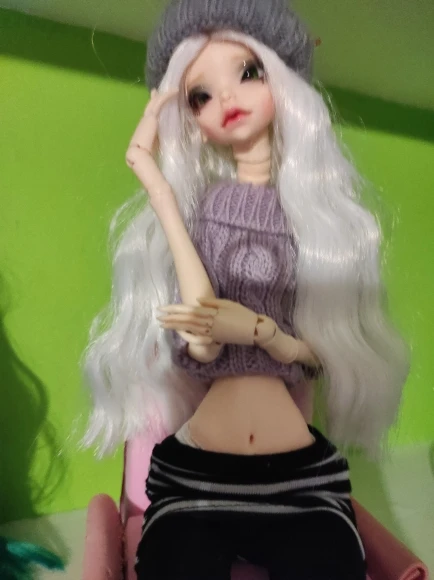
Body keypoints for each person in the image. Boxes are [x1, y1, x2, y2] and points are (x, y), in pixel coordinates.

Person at [83, 1, 409, 577]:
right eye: (200, 96)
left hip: (299, 480)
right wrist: (156, 185)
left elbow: (318, 356)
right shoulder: (207, 211)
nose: (227, 99)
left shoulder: (316, 223)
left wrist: (260, 331)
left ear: (284, 82)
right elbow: (202, 339)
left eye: (248, 72)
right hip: (199, 479)